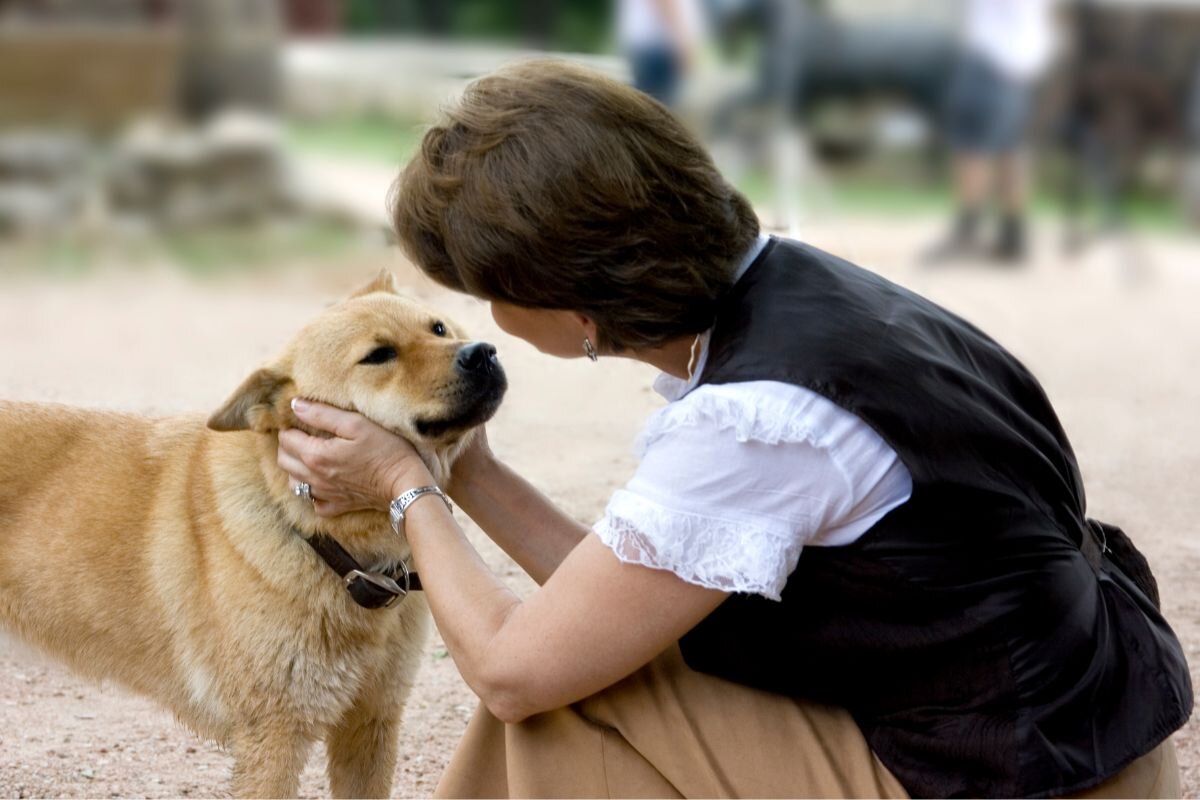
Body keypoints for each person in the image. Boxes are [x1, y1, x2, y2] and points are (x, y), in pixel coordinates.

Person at [276, 60, 1191, 798]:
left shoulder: (756, 422)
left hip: (1019, 776)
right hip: (1069, 729)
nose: (480, 320)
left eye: (486, 293)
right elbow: (622, 601)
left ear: (574, 305)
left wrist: (408, 491)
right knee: (585, 667)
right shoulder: (807, 299)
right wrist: (465, 468)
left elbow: (515, 670)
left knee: (549, 705)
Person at [925, 0, 1057, 264]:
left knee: (972, 146)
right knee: (1011, 149)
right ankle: (1013, 234)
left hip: (992, 58)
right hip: (1021, 62)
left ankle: (968, 230)